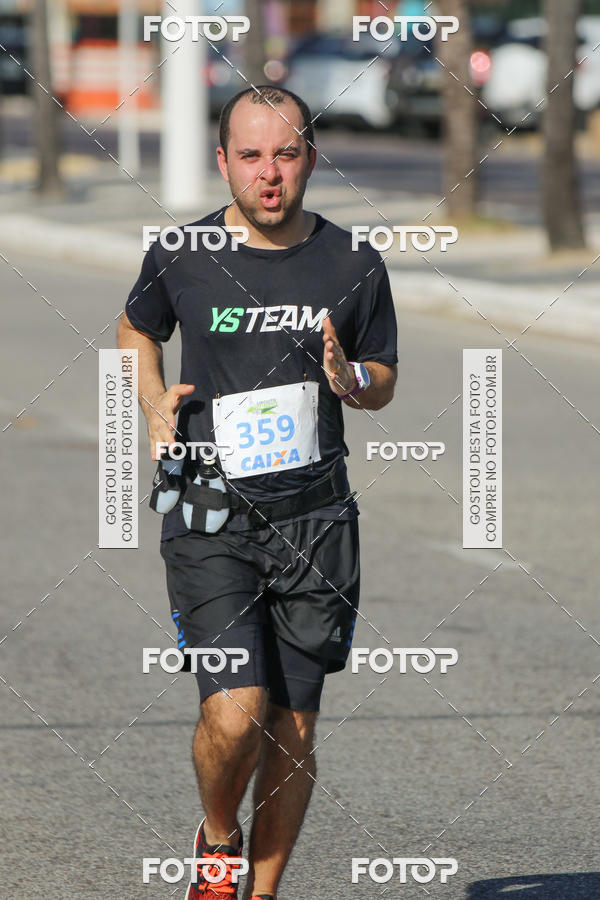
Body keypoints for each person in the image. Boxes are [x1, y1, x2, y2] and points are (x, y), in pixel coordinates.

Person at [117, 85, 397, 900]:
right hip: (205, 504)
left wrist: (354, 380)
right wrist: (151, 401)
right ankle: (217, 837)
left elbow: (382, 378)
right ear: (223, 162)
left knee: (293, 726)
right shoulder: (181, 252)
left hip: (314, 516)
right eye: (250, 156)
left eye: (284, 153)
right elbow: (139, 323)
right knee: (234, 711)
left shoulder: (353, 262)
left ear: (309, 155)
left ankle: (260, 894)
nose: (268, 174)